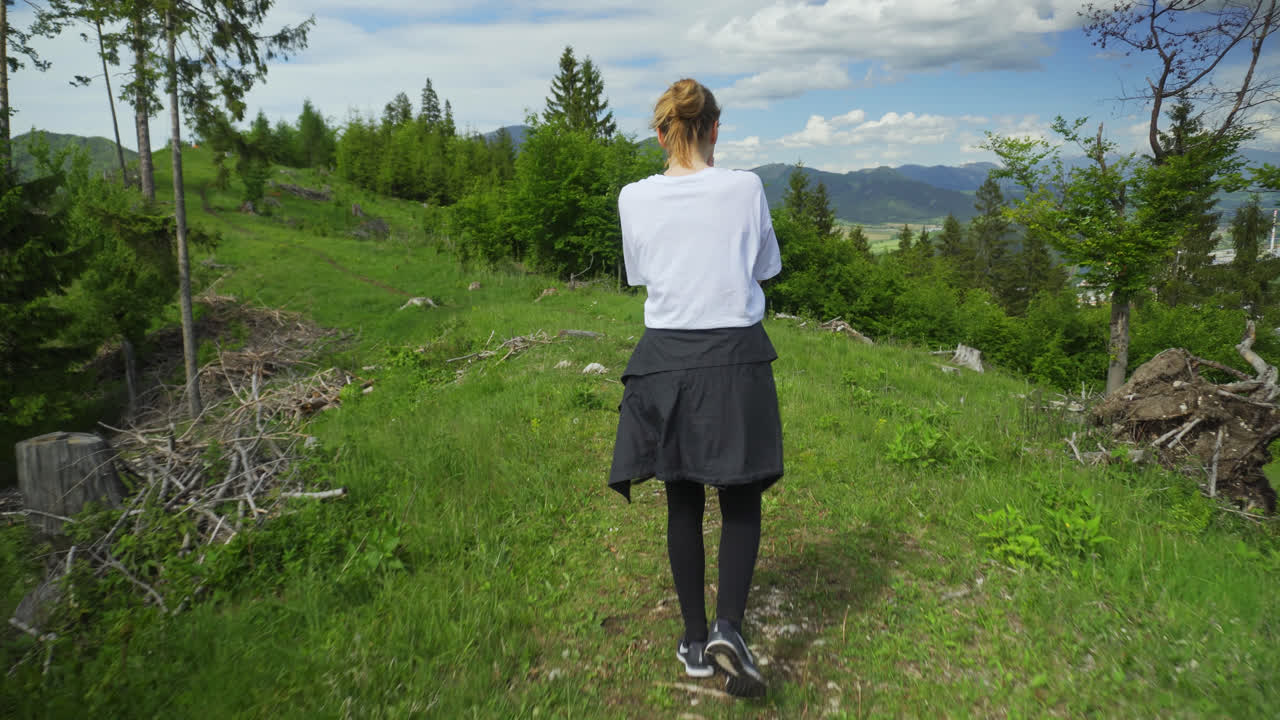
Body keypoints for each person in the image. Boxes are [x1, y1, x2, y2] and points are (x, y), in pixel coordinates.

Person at [609, 78, 783, 698]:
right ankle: (728, 627)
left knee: (680, 498)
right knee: (740, 496)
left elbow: (642, 274)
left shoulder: (633, 196)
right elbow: (764, 268)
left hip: (665, 357)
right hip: (734, 354)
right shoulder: (747, 187)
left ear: (661, 134)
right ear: (715, 129)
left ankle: (692, 641)